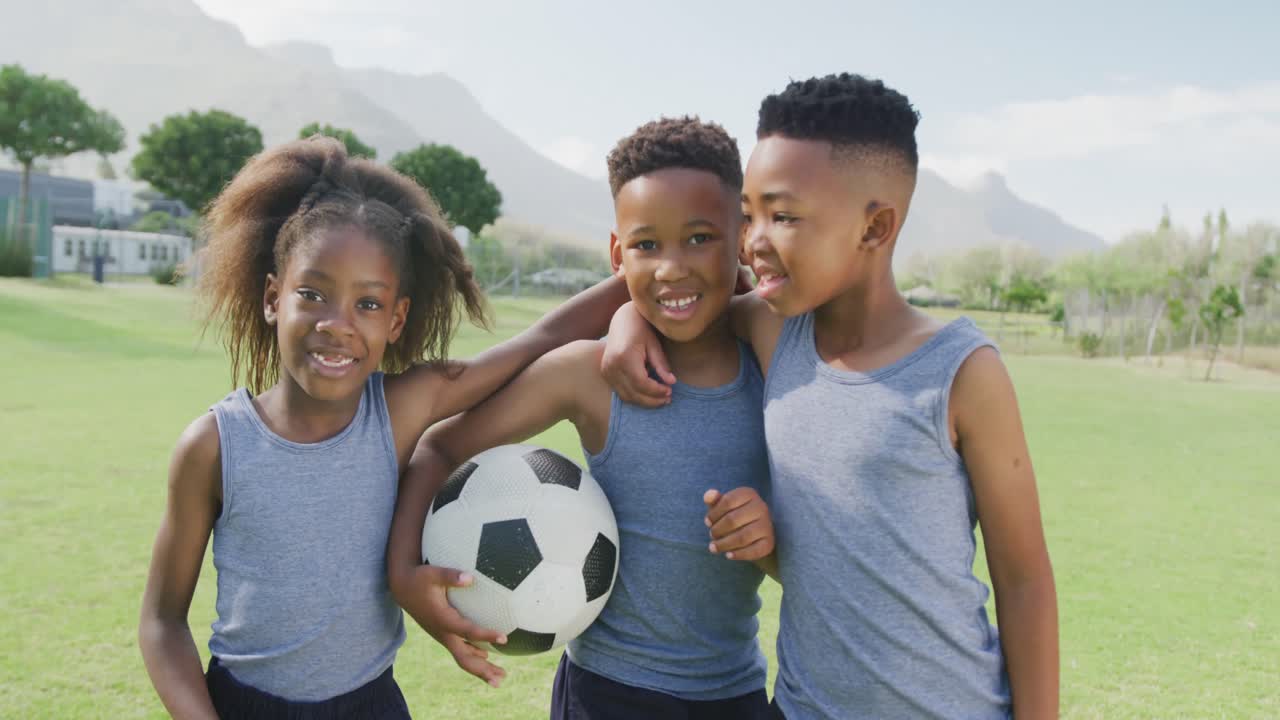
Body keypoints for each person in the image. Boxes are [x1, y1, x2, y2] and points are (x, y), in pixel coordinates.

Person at [603, 74, 1059, 719]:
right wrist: (626, 318)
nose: (752, 242)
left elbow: (1024, 579)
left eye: (783, 217)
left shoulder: (961, 371)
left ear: (875, 227)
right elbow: (673, 294)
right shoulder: (773, 331)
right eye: (748, 216)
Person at [138, 136, 628, 719]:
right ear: (273, 298)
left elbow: (540, 340)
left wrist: (646, 281)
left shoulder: (399, 410)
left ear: (397, 319)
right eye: (312, 294)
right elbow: (162, 621)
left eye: (368, 304)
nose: (337, 324)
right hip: (243, 704)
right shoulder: (215, 446)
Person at [389, 117, 776, 720]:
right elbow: (438, 448)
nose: (671, 268)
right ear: (618, 254)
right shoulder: (589, 375)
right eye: (647, 245)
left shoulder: (777, 369)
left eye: (700, 237)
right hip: (606, 695)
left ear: (743, 237)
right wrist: (404, 573)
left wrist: (770, 528)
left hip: (737, 695)